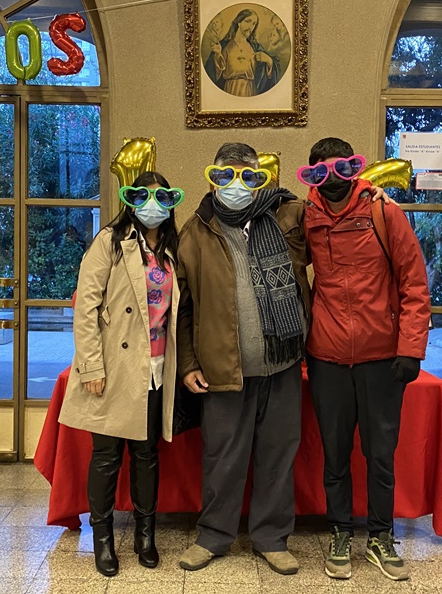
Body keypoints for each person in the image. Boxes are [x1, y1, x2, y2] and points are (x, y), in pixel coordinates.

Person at [300, 137, 431, 582]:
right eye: (321, 172)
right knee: (335, 454)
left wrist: (410, 349)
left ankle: (380, 536)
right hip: (327, 356)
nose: (333, 180)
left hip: (381, 357)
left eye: (343, 170)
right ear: (312, 175)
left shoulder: (383, 212)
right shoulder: (306, 216)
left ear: (355, 170)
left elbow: (414, 283)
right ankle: (340, 532)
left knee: (380, 455)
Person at [177, 142, 309, 575]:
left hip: (282, 363)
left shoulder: (287, 215)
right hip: (222, 368)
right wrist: (188, 363)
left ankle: (271, 538)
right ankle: (213, 536)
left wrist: (372, 195)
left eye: (247, 175)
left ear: (259, 178)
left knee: (278, 456)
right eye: (226, 175)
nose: (237, 184)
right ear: (213, 178)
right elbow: (184, 307)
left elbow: (336, 220)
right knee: (223, 457)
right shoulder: (196, 232)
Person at [59, 171, 184, 577]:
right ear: (131, 200)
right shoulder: (110, 242)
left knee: (147, 454)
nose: (152, 205)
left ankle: (145, 535)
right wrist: (91, 366)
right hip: (115, 366)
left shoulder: (173, 247)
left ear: (171, 203)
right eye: (143, 196)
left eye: (161, 197)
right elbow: (86, 307)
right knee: (107, 455)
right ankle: (103, 539)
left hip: (157, 367)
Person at [204, 9, 280, 97]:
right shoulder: (224, 45)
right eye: (248, 21)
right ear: (239, 22)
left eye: (254, 24)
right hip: (230, 90)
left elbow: (271, 75)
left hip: (251, 91)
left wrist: (269, 61)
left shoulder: (256, 47)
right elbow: (211, 74)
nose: (251, 26)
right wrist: (217, 55)